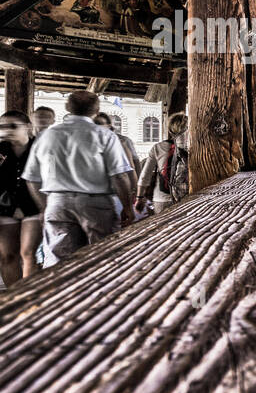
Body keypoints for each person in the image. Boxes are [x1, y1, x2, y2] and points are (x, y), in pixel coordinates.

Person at [22, 90, 133, 265]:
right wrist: (127, 207)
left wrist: (44, 207)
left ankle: (61, 291)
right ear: (96, 110)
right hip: (97, 205)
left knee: (59, 262)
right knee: (103, 258)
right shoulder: (104, 135)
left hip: (58, 202)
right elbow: (120, 176)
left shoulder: (47, 136)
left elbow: (31, 179)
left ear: (67, 107)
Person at [0, 111, 43, 285]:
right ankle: (13, 296)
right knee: (7, 256)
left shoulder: (39, 148)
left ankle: (28, 294)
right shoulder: (0, 150)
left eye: (13, 126)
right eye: (2, 126)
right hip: (4, 208)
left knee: (28, 253)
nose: (7, 130)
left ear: (28, 127)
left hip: (33, 206)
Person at [136, 112, 189, 215]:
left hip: (161, 199)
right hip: (185, 197)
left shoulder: (158, 147)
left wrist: (139, 198)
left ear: (169, 130)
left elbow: (144, 176)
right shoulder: (191, 147)